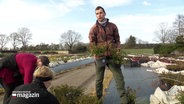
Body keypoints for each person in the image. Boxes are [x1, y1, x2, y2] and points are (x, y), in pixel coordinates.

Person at [88, 6, 127, 103]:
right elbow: (92, 43)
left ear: (105, 13)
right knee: (99, 80)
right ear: (95, 15)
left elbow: (117, 39)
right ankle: (98, 99)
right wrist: (94, 53)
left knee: (119, 78)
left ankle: (124, 100)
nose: (99, 15)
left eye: (100, 13)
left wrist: (118, 49)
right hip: (100, 57)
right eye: (97, 13)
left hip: (113, 56)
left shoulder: (112, 26)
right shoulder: (93, 29)